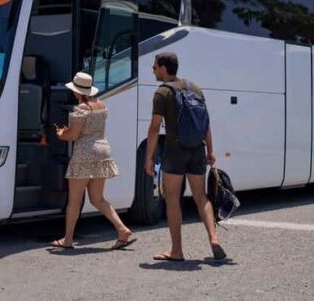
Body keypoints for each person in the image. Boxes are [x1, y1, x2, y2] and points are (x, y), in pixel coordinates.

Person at [145, 52, 226, 261]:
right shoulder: (195, 88)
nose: (153, 70)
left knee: (172, 199)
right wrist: (210, 151)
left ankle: (177, 251)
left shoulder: (162, 92)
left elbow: (154, 129)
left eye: (154, 66)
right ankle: (214, 238)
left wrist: (149, 157)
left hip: (174, 150)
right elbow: (205, 123)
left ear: (164, 67)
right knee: (201, 197)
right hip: (197, 149)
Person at [50, 72, 137, 250]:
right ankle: (122, 229)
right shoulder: (101, 105)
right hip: (102, 149)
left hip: (85, 152)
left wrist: (61, 134)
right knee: (98, 199)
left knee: (74, 200)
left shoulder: (80, 109)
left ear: (77, 91)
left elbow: (74, 135)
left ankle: (67, 240)